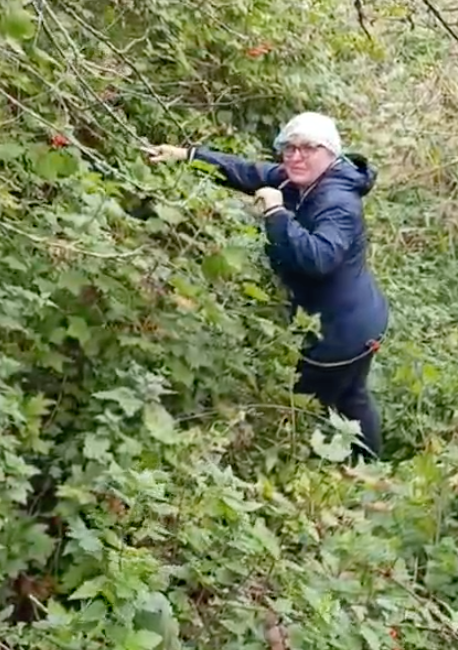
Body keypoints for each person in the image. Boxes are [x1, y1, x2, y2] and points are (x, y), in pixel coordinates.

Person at [146, 112, 389, 460]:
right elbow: (249, 172)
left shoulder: (337, 202)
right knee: (351, 395)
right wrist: (189, 156)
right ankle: (368, 468)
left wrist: (277, 215)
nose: (295, 156)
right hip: (356, 318)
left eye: (308, 148)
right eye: (289, 148)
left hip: (342, 333)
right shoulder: (302, 181)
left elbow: (318, 259)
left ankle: (318, 473)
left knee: (307, 399)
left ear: (331, 153)